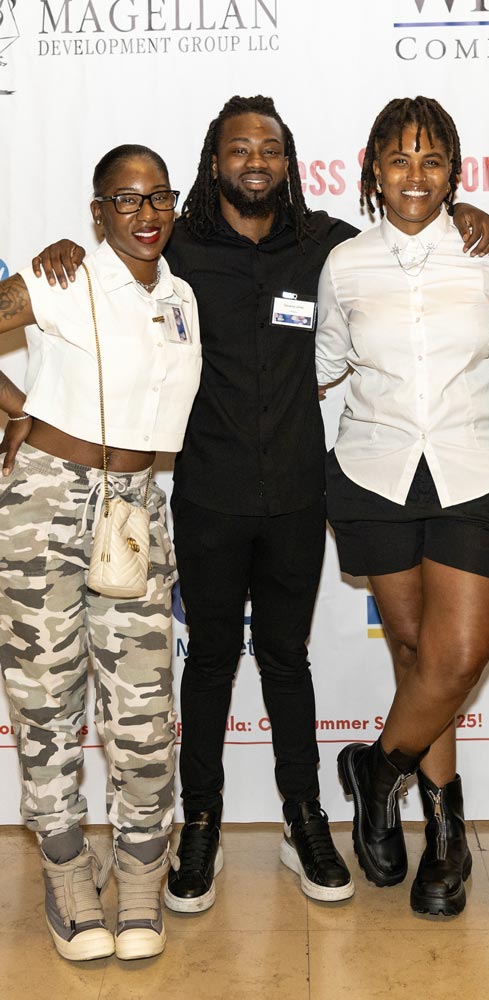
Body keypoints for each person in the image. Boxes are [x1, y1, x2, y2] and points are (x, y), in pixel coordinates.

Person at [32, 94, 489, 913]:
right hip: (206, 493)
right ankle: (202, 825)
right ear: (214, 161)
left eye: (271, 149)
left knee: (288, 662)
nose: (256, 160)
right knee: (210, 662)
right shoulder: (170, 242)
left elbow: (408, 244)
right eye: (240, 148)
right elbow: (114, 247)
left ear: (288, 164)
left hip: (296, 491)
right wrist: (72, 243)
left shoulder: (325, 246)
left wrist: (472, 216)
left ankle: (304, 818)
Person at [315, 96, 489, 916]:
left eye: (431, 160)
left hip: (477, 470)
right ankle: (444, 836)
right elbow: (325, 363)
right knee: (412, 654)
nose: (415, 175)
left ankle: (377, 769)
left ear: (454, 172)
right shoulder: (345, 265)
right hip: (374, 474)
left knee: (456, 656)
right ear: (373, 167)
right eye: (399, 159)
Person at [0, 144, 202, 961]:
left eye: (159, 196)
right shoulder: (63, 274)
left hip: (135, 508)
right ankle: (66, 871)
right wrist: (18, 408)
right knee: (47, 702)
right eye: (125, 199)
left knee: (145, 709)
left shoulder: (182, 294)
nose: (145, 213)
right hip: (46, 499)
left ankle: (143, 868)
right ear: (97, 211)